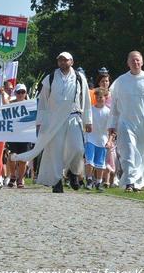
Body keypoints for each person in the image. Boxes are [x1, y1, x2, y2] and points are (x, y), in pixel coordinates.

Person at [11, 52, 92, 193]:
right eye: (60, 60)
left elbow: (86, 100)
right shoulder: (50, 78)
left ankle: (73, 172)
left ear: (71, 61)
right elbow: (43, 102)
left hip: (74, 117)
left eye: (65, 60)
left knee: (78, 148)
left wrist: (88, 120)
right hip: (55, 120)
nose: (63, 62)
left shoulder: (79, 78)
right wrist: (40, 121)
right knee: (56, 151)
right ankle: (56, 181)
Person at [107, 51, 144, 192]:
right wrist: (112, 124)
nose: (136, 63)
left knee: (142, 153)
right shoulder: (120, 82)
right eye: (133, 60)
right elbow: (114, 107)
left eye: (138, 60)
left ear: (142, 62)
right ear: (128, 63)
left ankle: (137, 182)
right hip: (125, 123)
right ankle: (129, 182)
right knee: (128, 151)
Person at [85, 88, 112, 191]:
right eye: (97, 97)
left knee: (100, 163)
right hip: (90, 138)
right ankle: (89, 180)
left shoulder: (108, 112)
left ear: (105, 98)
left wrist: (109, 141)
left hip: (102, 140)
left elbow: (111, 129)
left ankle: (98, 182)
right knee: (89, 161)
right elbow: (85, 124)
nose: (99, 99)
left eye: (101, 97)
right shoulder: (90, 110)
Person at [6, 84, 32, 189]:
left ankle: (20, 179)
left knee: (23, 159)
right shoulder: (11, 104)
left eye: (23, 92)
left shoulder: (30, 104)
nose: (21, 94)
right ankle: (13, 175)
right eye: (18, 92)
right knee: (12, 157)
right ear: (15, 93)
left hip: (25, 135)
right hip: (13, 135)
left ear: (25, 93)